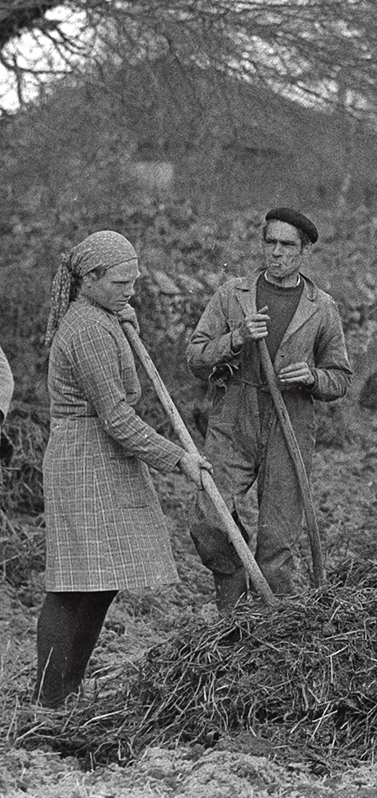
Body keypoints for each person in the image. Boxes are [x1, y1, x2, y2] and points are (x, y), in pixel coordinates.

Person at [37, 230, 207, 708]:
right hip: (84, 457)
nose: (129, 289)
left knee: (103, 579)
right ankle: (48, 699)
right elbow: (116, 417)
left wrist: (121, 315)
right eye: (118, 282)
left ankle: (69, 689)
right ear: (89, 279)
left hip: (104, 455)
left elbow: (118, 399)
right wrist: (178, 459)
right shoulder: (88, 328)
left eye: (133, 280)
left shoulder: (102, 316)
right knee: (74, 584)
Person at [187, 208, 352, 611]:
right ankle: (233, 587)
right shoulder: (233, 295)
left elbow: (340, 378)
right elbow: (195, 357)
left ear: (305, 252)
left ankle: (272, 627)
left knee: (278, 539)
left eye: (287, 246)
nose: (276, 253)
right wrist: (236, 338)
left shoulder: (321, 307)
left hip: (290, 421)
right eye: (270, 243)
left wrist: (312, 377)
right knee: (209, 519)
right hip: (234, 415)